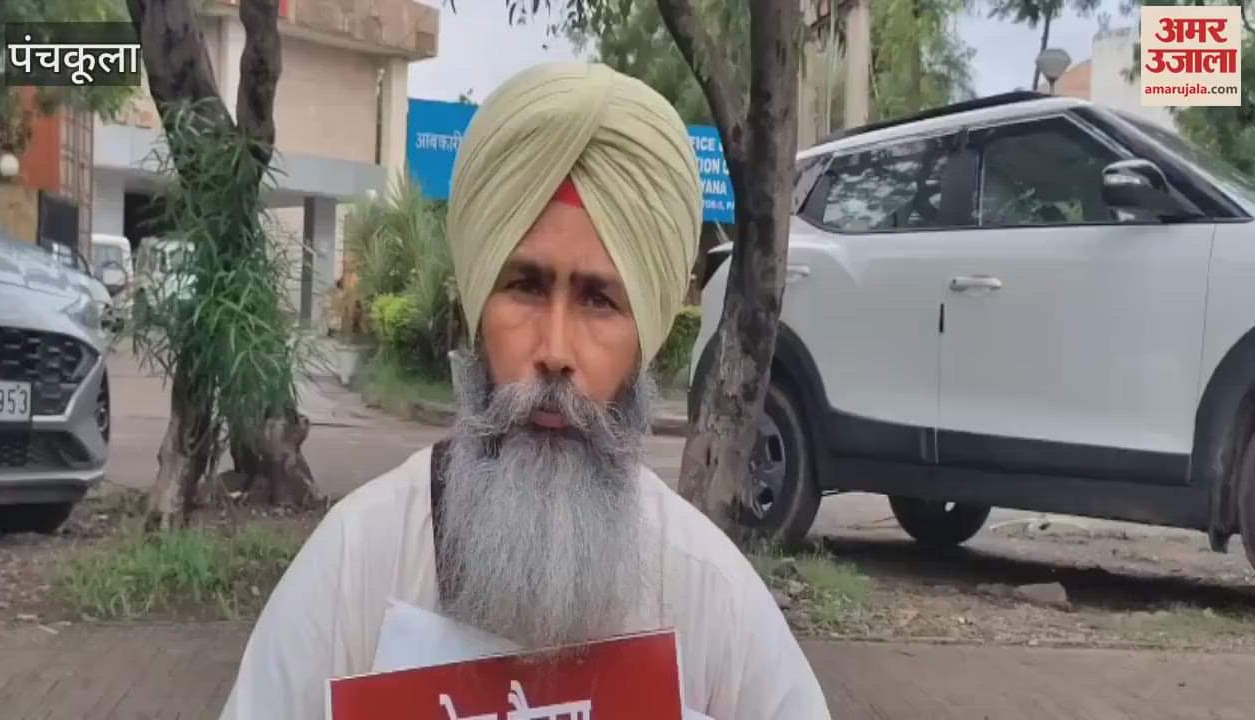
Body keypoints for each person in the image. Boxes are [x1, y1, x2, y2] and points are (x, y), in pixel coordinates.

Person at [219, 61, 830, 720]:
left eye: (599, 300)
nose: (556, 352)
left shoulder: (712, 597)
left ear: (645, 339)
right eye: (526, 288)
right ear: (476, 311)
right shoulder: (357, 564)